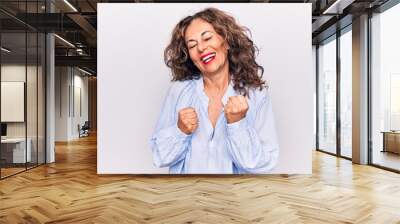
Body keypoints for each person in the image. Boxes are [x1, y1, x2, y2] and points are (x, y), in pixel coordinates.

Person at [150, 7, 279, 174]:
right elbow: (159, 157)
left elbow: (264, 163)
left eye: (207, 38)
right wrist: (180, 131)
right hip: (186, 196)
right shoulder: (178, 90)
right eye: (192, 45)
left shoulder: (257, 94)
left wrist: (237, 125)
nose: (201, 48)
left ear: (226, 41)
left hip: (234, 198)